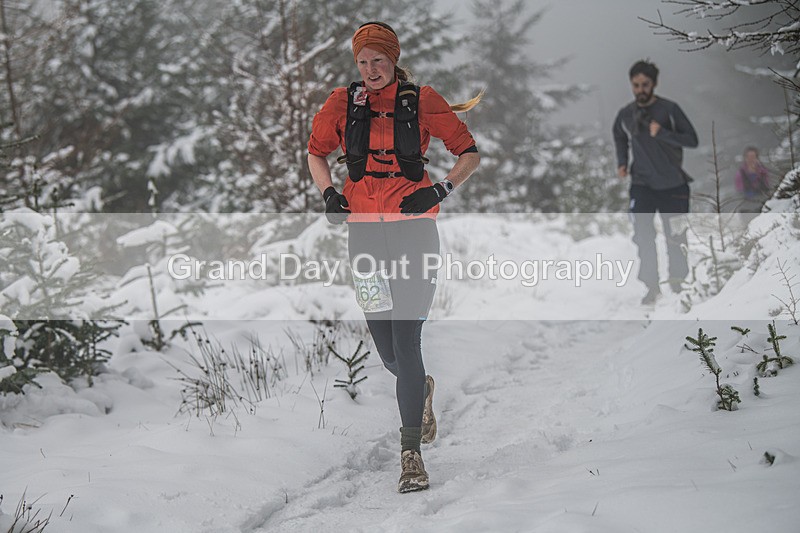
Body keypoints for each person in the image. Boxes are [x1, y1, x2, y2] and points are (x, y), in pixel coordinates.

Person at [306, 21, 480, 493]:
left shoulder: (422, 100)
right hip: (363, 238)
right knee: (387, 351)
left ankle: (410, 456)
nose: (370, 70)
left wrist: (440, 190)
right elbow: (315, 153)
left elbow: (469, 152)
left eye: (377, 61)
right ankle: (418, 387)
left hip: (414, 234)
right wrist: (328, 194)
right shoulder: (340, 104)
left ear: (393, 59)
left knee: (406, 342)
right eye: (362, 62)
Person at [612, 60, 699, 305]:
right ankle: (651, 286)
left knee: (676, 236)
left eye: (645, 84)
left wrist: (663, 134)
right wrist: (621, 162)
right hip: (642, 185)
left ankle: (678, 283)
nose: (640, 89)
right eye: (636, 85)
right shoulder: (625, 113)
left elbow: (692, 140)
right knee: (643, 236)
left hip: (673, 186)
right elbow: (619, 135)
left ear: (654, 84)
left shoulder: (670, 110)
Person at [734, 146, 770, 212]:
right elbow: (739, 193)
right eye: (749, 157)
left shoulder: (763, 171)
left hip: (763, 205)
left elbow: (768, 187)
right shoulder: (740, 174)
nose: (751, 159)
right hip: (747, 207)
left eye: (753, 157)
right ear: (745, 158)